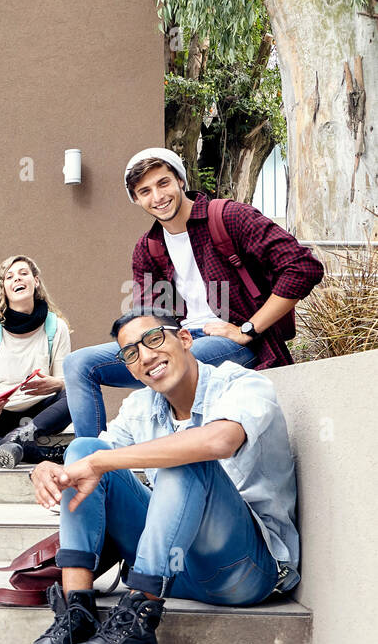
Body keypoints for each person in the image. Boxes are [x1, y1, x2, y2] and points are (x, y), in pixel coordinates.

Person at [0, 307, 299, 644]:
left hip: (244, 570)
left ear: (185, 340)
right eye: (131, 353)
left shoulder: (243, 384)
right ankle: (76, 616)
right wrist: (46, 470)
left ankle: (137, 628)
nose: (145, 356)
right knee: (84, 449)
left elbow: (220, 441)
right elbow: (91, 460)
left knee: (186, 453)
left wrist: (100, 464)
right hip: (175, 566)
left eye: (154, 339)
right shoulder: (141, 405)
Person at [62, 147, 324, 437]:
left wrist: (248, 328)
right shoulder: (149, 248)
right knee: (78, 363)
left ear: (180, 181)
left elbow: (303, 267)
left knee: (177, 361)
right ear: (136, 199)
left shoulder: (229, 216)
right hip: (177, 340)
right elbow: (149, 319)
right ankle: (93, 461)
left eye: (163, 183)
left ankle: (163, 454)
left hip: (235, 343)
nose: (158, 197)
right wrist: (139, 349)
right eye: (145, 191)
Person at [0, 255, 71, 468]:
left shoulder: (56, 327)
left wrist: (56, 383)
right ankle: (40, 452)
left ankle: (15, 440)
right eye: (9, 277)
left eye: (23, 273)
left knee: (75, 394)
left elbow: (64, 380)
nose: (17, 279)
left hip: (43, 413)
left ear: (35, 281)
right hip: (4, 412)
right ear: (4, 288)